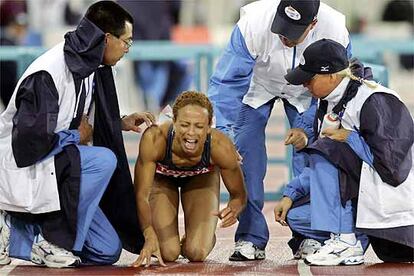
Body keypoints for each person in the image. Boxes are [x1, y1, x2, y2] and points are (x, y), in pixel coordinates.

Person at [0, 1, 155, 268]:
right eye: (126, 42)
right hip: (27, 169)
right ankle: (47, 238)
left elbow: (73, 118)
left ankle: (25, 240)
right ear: (107, 38)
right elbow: (29, 144)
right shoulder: (48, 73)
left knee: (107, 251)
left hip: (55, 165)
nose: (127, 50)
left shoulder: (88, 66)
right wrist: (75, 136)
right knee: (104, 160)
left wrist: (118, 122)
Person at [208, 0, 351, 260]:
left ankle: (309, 235)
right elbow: (227, 82)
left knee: (313, 154)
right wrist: (224, 130)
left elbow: (338, 85)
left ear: (314, 24)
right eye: (282, 29)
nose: (285, 37)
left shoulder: (335, 28)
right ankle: (250, 237)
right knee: (244, 156)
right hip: (256, 85)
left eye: (294, 32)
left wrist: (308, 127)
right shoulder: (252, 23)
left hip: (309, 90)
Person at [274, 38, 414, 265]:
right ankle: (351, 236)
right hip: (363, 196)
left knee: (328, 148)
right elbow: (325, 167)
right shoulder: (328, 103)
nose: (304, 85)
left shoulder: (376, 100)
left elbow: (393, 169)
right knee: (297, 216)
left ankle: (346, 242)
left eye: (309, 79)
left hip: (396, 209)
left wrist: (350, 138)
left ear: (332, 76)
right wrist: (291, 193)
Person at [132, 91, 247, 267]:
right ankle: (183, 236)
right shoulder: (155, 139)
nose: (191, 133)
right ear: (174, 122)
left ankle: (200, 237)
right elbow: (141, 196)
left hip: (201, 179)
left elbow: (239, 195)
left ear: (209, 127)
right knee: (167, 253)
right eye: (185, 125)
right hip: (162, 180)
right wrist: (148, 234)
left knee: (196, 252)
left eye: (199, 127)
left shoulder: (220, 146)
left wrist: (234, 209)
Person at [118, 0, 192, 112]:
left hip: (139, 37)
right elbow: (176, 8)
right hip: (158, 37)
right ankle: (158, 110)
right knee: (155, 86)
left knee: (151, 89)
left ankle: (156, 109)